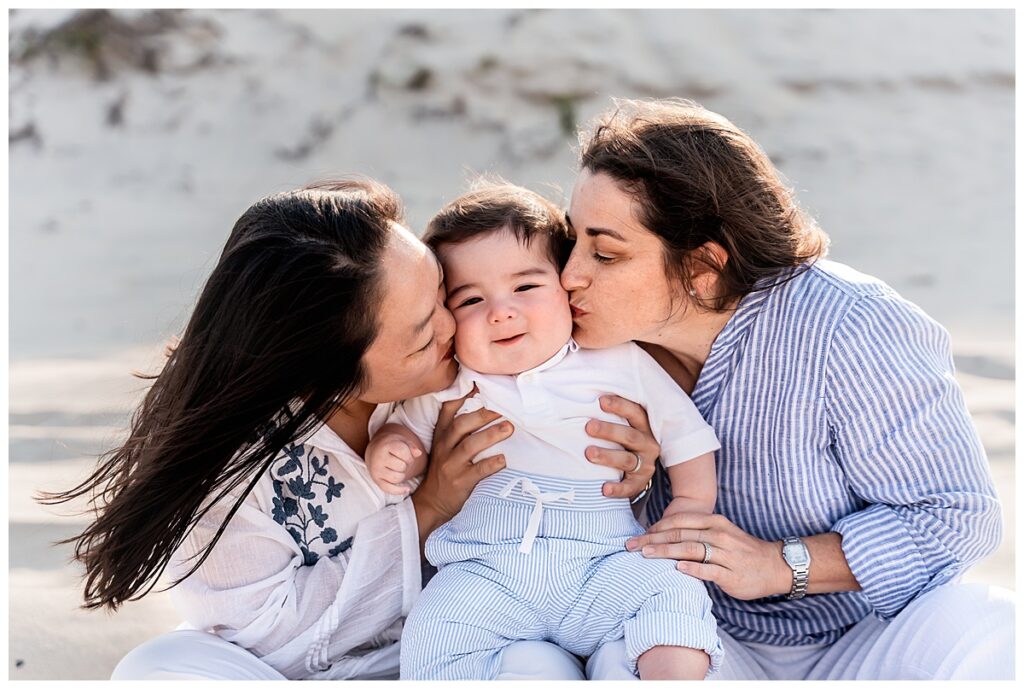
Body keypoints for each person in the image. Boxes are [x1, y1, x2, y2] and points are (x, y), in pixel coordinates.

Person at [40, 179, 657, 680]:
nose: (454, 326)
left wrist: (631, 454)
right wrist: (427, 508)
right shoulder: (230, 468)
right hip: (292, 668)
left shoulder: (461, 368)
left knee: (535, 665)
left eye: (443, 293)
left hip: (464, 637)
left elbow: (564, 363)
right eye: (422, 335)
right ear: (325, 376)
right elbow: (270, 638)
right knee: (158, 668)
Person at [558, 98, 1015, 680]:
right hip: (692, 632)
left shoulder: (852, 325)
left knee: (998, 629)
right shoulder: (573, 343)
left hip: (868, 635)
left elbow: (957, 513)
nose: (570, 274)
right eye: (572, 242)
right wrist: (633, 490)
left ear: (702, 267)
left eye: (605, 253)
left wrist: (780, 565)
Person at [365, 183, 722, 680]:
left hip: (604, 560)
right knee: (435, 628)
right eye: (470, 299)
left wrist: (690, 504)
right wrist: (393, 447)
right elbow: (406, 431)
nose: (501, 311)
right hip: (488, 570)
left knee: (670, 592)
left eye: (526, 287)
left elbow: (686, 433)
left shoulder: (619, 361)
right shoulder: (453, 380)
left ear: (566, 289)